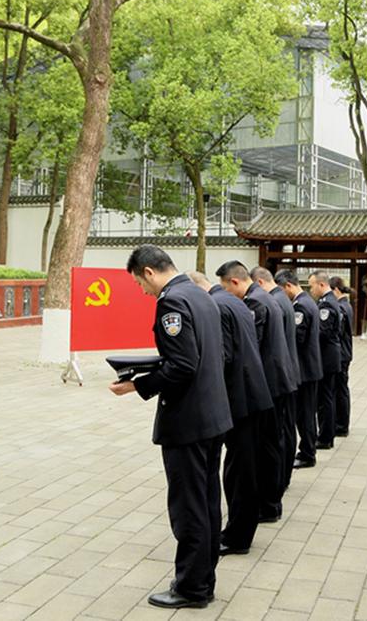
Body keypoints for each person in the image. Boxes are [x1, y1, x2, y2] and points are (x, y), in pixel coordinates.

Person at [110, 246, 233, 608]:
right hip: (213, 415)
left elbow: (182, 365)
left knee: (189, 506)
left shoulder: (172, 302)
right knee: (208, 501)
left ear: (149, 272)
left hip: (189, 421)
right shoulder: (202, 294)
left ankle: (192, 587)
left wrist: (138, 384)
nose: (142, 291)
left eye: (138, 283)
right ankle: (202, 579)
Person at [188, 272, 274, 557]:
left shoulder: (218, 304)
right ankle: (240, 530)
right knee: (244, 469)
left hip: (240, 399)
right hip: (252, 394)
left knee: (239, 472)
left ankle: (238, 536)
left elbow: (222, 357)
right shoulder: (232, 300)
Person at [216, 260, 297, 523]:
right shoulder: (266, 296)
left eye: (226, 288)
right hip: (278, 380)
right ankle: (270, 502)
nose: (227, 295)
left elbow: (253, 348)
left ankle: (269, 504)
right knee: (272, 444)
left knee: (266, 447)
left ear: (235, 282)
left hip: (269, 385)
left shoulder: (255, 303)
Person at [252, 266, 301, 490]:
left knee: (280, 433)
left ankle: (280, 478)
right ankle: (283, 476)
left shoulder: (273, 302)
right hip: (287, 371)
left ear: (259, 283)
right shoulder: (281, 299)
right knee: (285, 430)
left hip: (279, 375)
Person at [276, 269, 322, 469]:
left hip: (304, 370)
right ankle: (307, 450)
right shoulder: (306, 302)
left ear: (288, 286)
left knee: (304, 415)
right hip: (309, 368)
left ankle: (307, 453)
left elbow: (297, 338)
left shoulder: (301, 306)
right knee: (307, 413)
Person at [308, 270, 342, 450]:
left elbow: (322, 332)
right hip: (329, 356)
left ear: (321, 284)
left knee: (324, 399)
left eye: (312, 285)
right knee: (326, 398)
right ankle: (326, 434)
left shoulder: (326, 304)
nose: (311, 289)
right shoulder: (327, 301)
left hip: (326, 357)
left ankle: (325, 437)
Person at [329, 277, 354, 437]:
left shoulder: (341, 307)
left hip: (341, 354)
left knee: (340, 390)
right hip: (344, 352)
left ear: (336, 290)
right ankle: (341, 423)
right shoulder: (345, 305)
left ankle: (341, 425)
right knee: (341, 389)